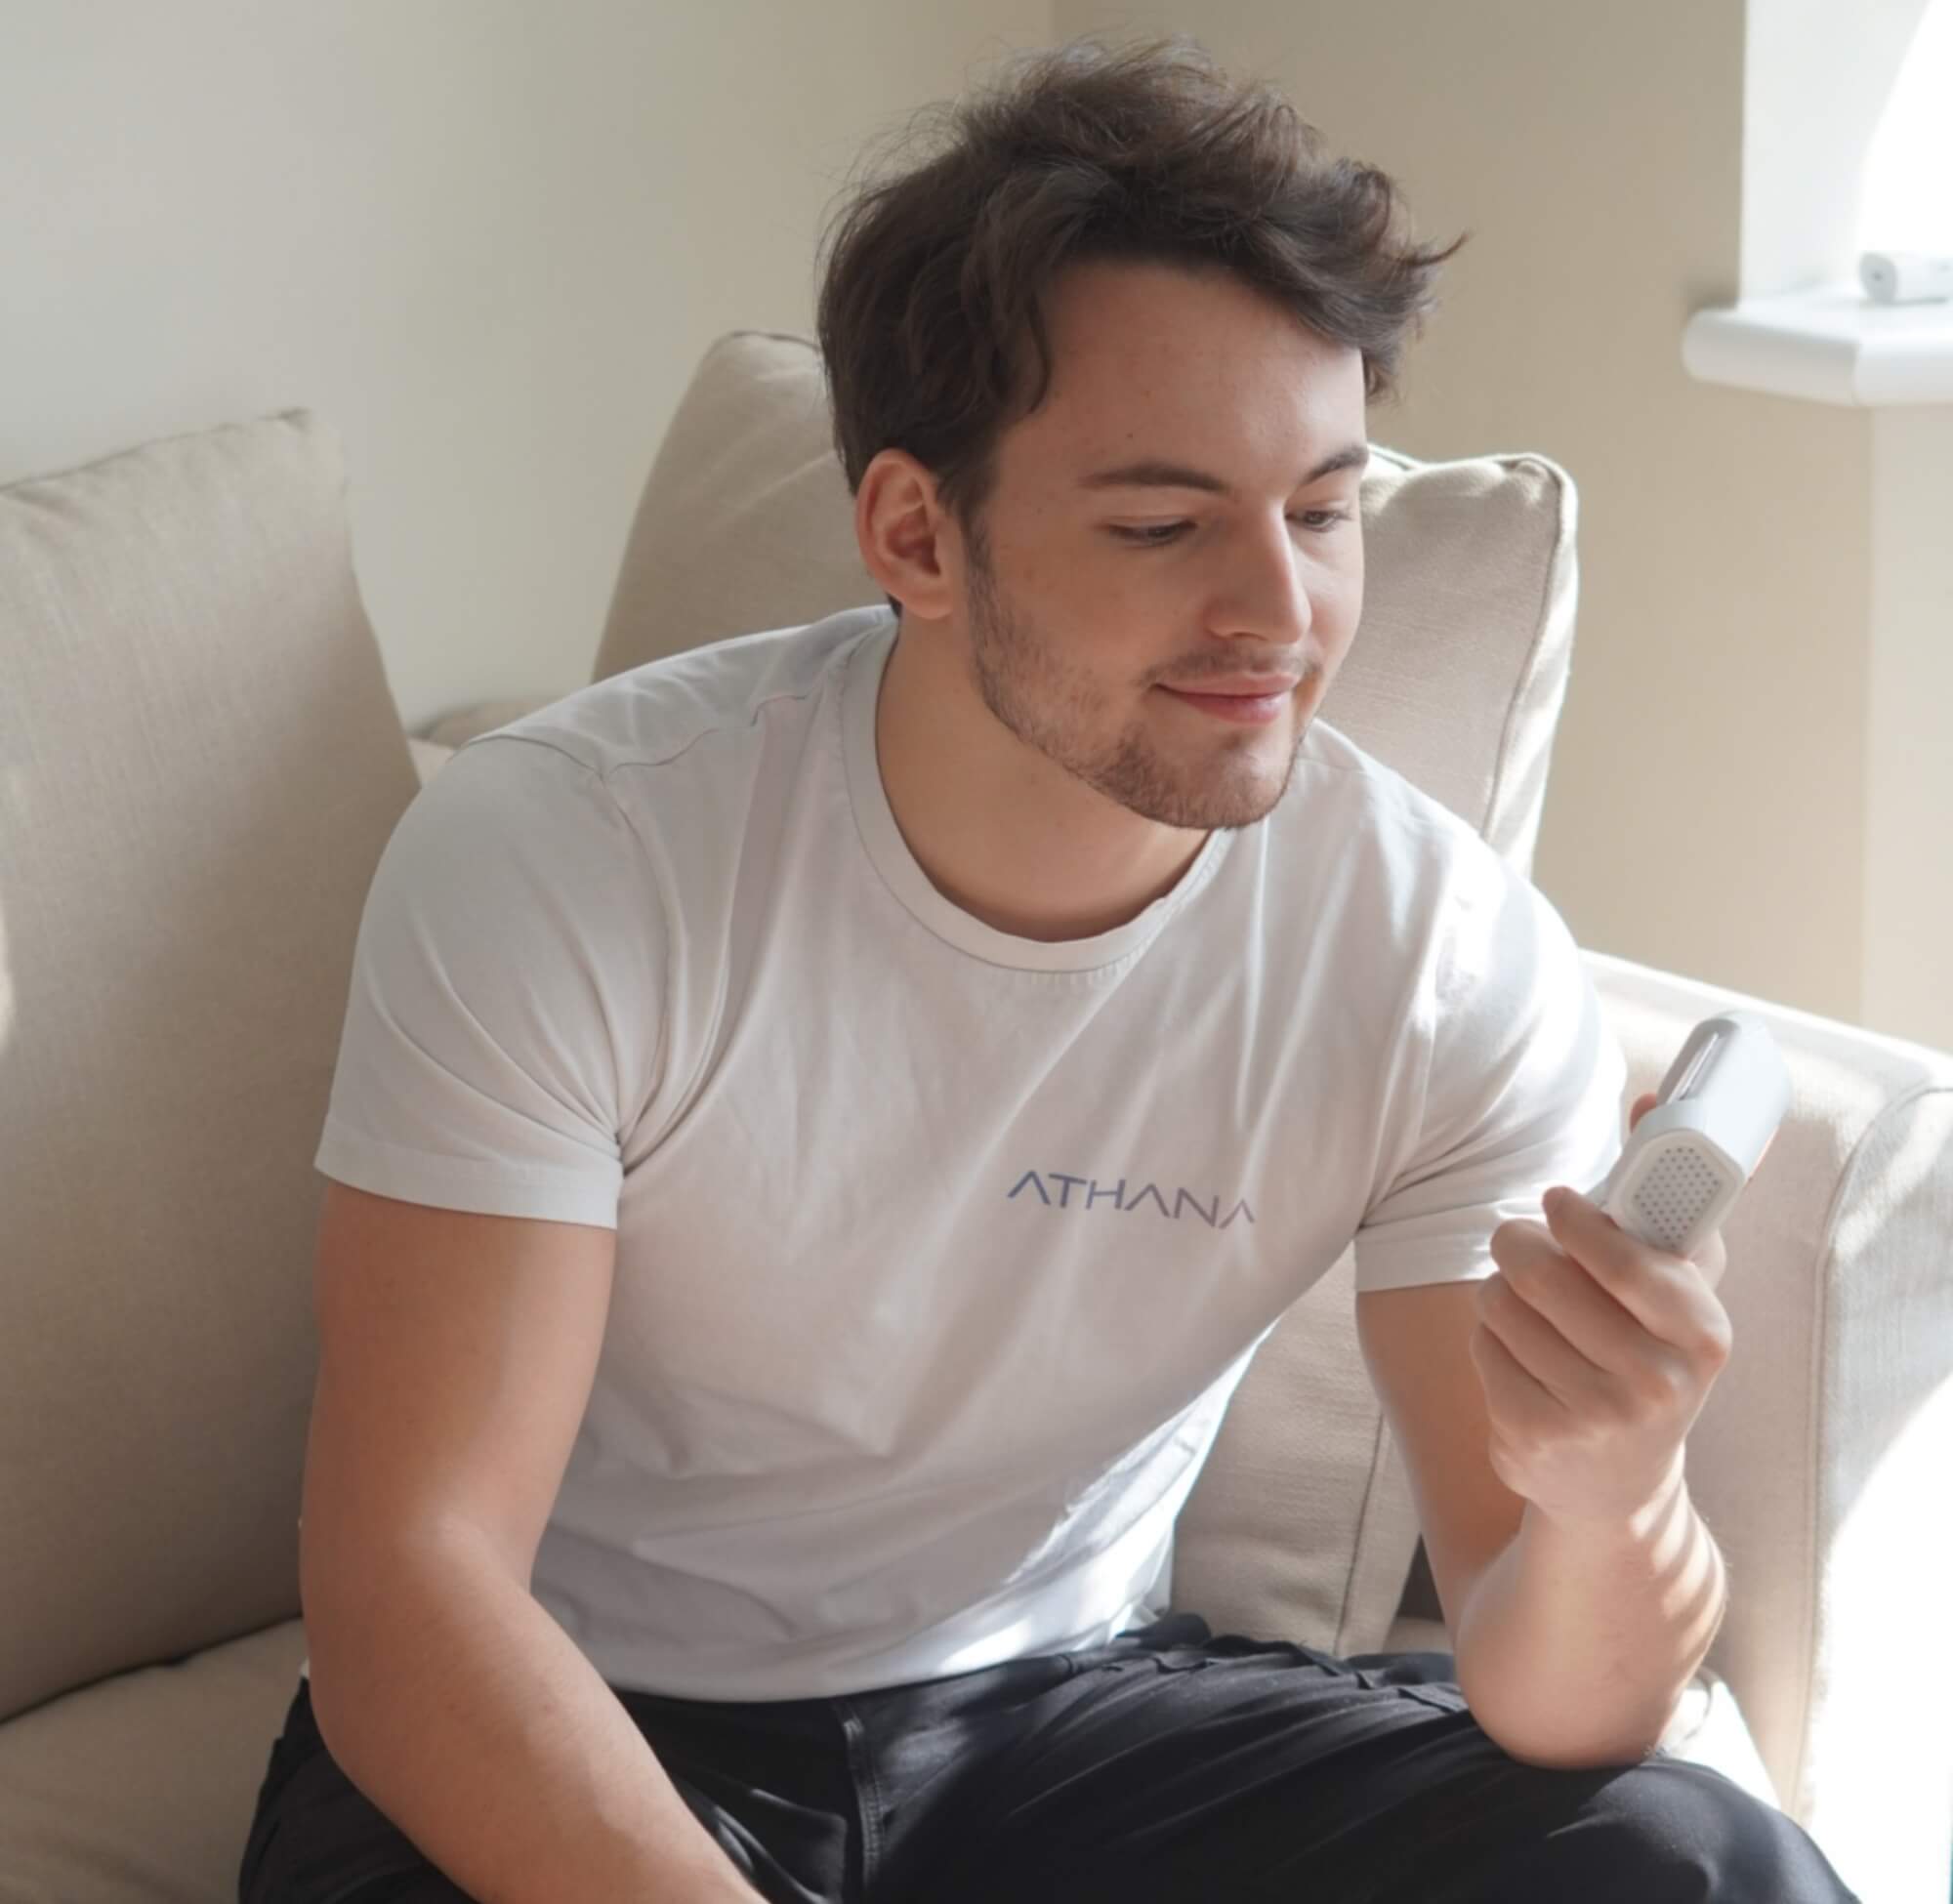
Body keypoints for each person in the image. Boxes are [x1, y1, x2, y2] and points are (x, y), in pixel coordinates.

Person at [237, 31, 1862, 1904]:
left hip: (1063, 1720)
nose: (1281, 612)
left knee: (1693, 1858)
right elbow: (410, 1584)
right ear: (917, 532)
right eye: (1165, 525)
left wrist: (1610, 1489)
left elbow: (1563, 1702)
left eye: (1326, 510)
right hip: (575, 1715)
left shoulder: (1438, 956)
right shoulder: (570, 857)